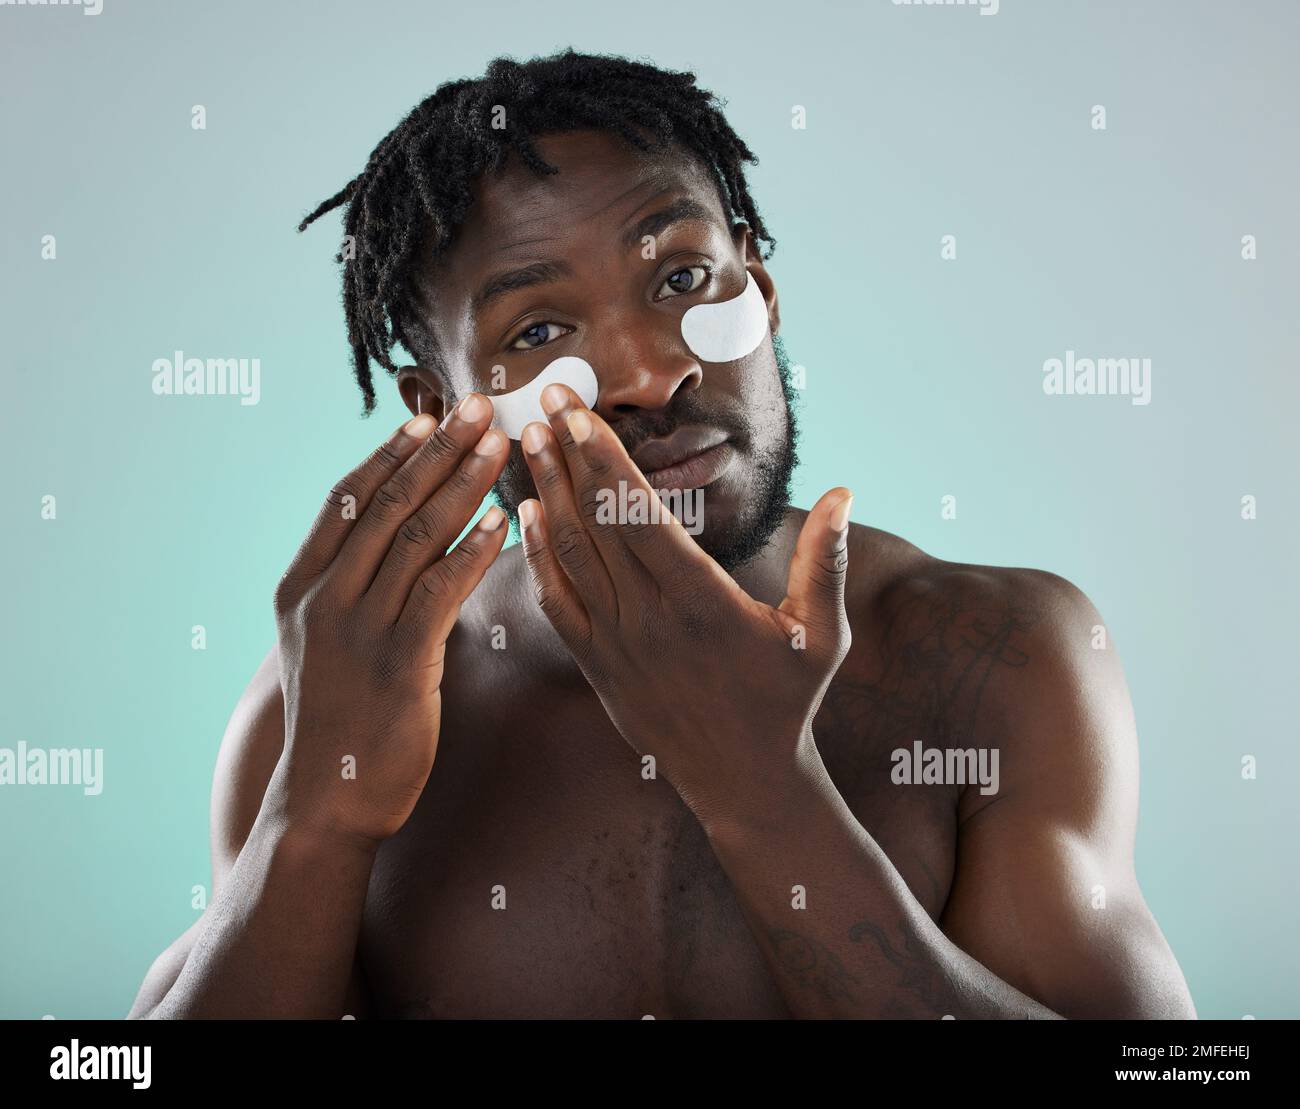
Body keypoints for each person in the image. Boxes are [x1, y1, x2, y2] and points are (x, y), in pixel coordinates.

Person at [129, 49, 1195, 1019]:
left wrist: (761, 787)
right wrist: (311, 824)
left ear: (760, 290)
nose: (649, 373)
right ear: (437, 404)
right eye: (539, 332)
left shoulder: (991, 656)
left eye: (683, 278)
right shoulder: (329, 703)